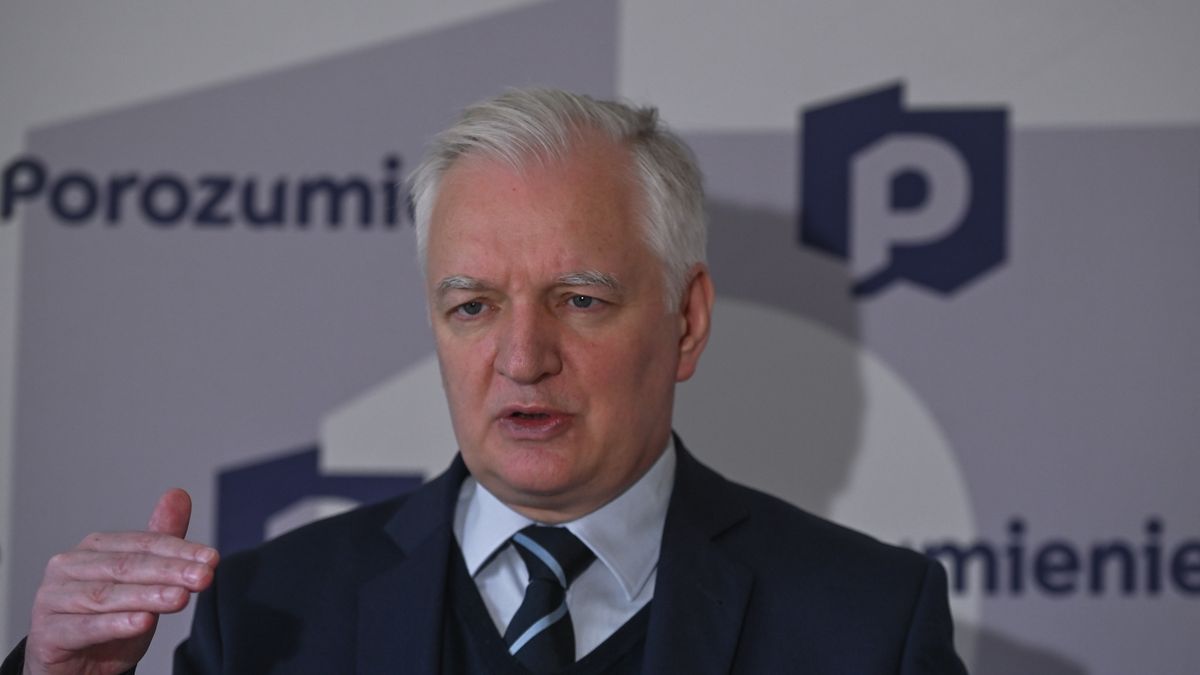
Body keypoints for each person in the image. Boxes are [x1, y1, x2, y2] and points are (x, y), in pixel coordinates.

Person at [5, 88, 967, 674]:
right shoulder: (271, 617)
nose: (520, 357)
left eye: (580, 299)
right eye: (472, 306)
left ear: (688, 320)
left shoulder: (863, 623)